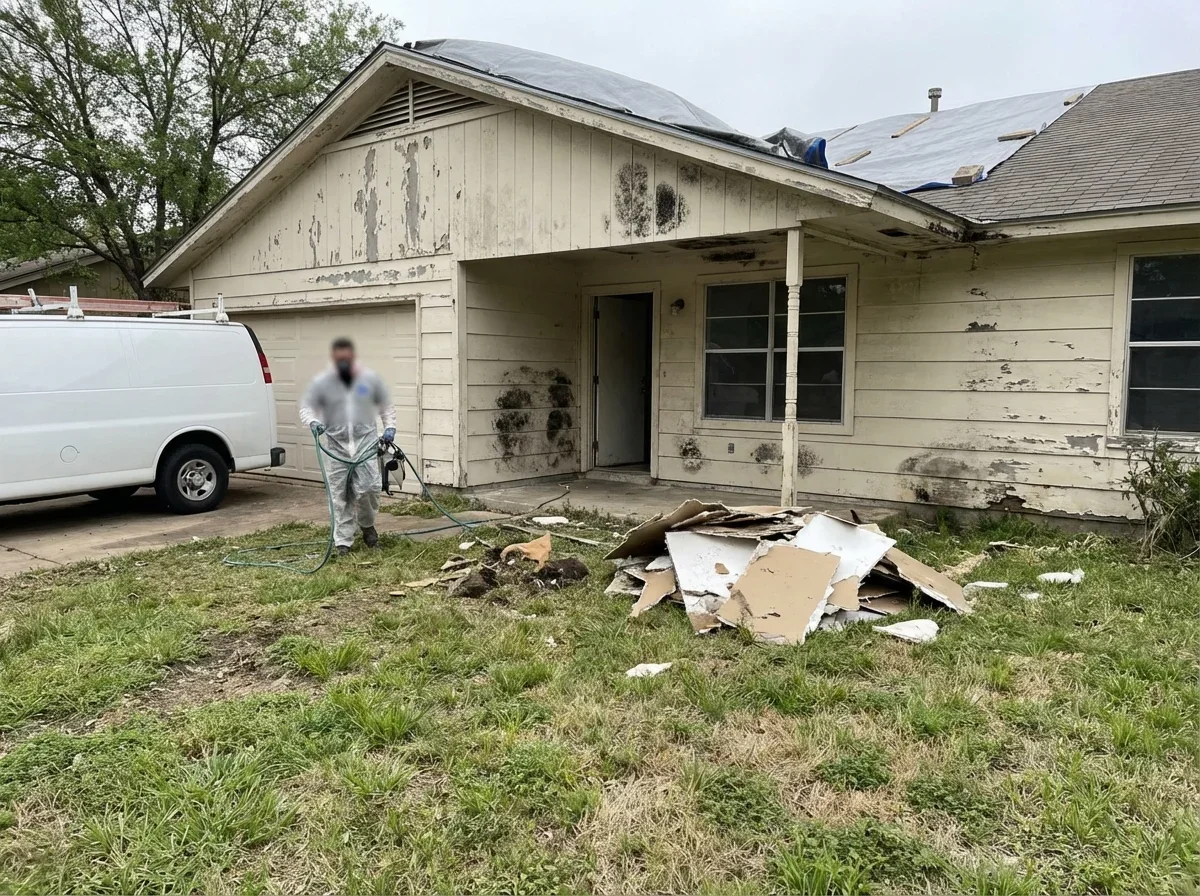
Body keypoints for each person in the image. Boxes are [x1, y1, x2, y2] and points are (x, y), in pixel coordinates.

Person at [299, 337, 397, 555]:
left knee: (370, 488)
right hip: (336, 446)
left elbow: (386, 405)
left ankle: (367, 526)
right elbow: (307, 408)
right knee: (340, 494)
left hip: (365, 443)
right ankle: (343, 541)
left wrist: (389, 428)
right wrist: (313, 422)